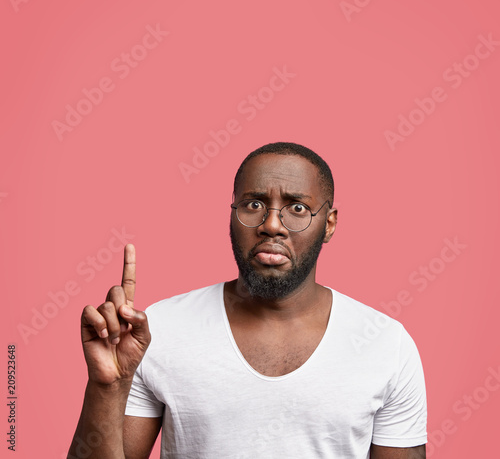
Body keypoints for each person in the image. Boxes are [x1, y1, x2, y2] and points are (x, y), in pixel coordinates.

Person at [68, 142, 427, 459]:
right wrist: (107, 388)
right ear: (232, 214)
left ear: (329, 224)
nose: (272, 224)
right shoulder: (158, 331)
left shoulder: (385, 343)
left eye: (297, 208)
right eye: (254, 204)